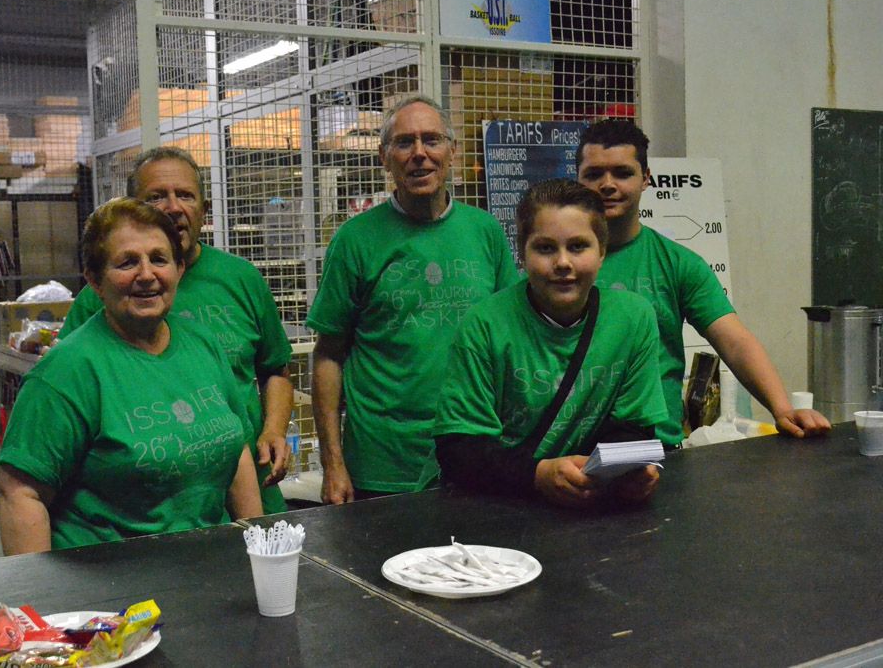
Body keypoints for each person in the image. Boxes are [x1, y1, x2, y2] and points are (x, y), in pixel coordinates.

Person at [0, 198, 262, 554]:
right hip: (108, 579)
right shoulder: (67, 371)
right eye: (127, 262)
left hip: (204, 563)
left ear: (179, 270)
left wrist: (258, 548)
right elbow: (20, 494)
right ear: (95, 280)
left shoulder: (203, 343)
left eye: (159, 259)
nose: (147, 275)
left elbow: (237, 448)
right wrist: (40, 590)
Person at [59, 147, 295, 514]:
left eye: (185, 195)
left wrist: (273, 430)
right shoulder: (103, 296)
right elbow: (69, 396)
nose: (173, 207)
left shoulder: (241, 279)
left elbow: (275, 368)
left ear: (204, 207)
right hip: (154, 504)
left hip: (247, 482)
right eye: (156, 197)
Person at [308, 95, 520, 503]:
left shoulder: (485, 232)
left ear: (452, 151)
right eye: (404, 143)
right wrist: (332, 464)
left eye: (432, 140)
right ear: (384, 158)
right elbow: (329, 354)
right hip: (383, 464)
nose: (419, 153)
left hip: (475, 447)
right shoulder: (355, 241)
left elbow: (511, 337)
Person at [575, 119, 831, 446]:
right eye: (594, 174)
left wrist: (782, 409)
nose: (607, 185)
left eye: (623, 173)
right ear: (578, 179)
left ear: (646, 179)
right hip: (568, 447)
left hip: (655, 447)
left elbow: (735, 341)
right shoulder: (556, 266)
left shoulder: (678, 263)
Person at [433, 179, 666, 506]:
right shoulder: (484, 325)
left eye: (578, 246)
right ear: (522, 253)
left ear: (602, 251)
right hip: (496, 506)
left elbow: (633, 426)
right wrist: (538, 475)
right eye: (545, 248)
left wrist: (629, 472)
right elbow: (460, 450)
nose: (563, 263)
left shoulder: (634, 318)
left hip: (586, 505)